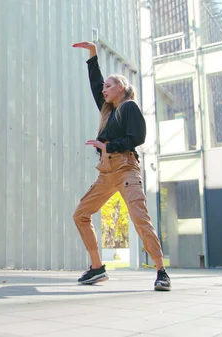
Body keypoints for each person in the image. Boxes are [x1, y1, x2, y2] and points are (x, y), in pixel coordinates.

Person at [71, 41, 171, 291]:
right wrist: (93, 54)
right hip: (106, 172)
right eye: (104, 87)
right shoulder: (108, 111)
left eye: (109, 86)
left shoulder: (129, 107)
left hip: (126, 169)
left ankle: (161, 271)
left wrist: (108, 146)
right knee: (81, 214)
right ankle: (97, 268)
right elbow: (96, 84)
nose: (104, 90)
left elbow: (137, 138)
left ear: (121, 87)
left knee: (139, 219)